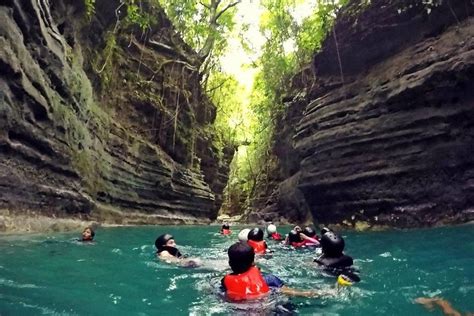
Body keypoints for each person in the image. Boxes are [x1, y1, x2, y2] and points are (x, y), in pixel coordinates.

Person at [221, 242, 326, 301]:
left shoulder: (224, 282)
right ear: (253, 262)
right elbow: (292, 292)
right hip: (268, 308)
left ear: (230, 263)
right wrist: (322, 293)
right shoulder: (269, 279)